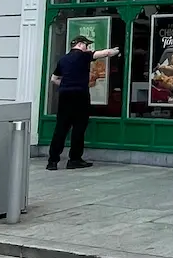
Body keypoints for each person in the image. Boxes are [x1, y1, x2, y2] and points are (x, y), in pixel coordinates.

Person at [47, 35, 121, 171]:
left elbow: (53, 79)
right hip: (80, 95)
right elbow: (104, 53)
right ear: (81, 44)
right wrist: (116, 51)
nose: (88, 48)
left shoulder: (63, 59)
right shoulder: (83, 56)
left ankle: (52, 161)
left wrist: (65, 85)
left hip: (64, 96)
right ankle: (74, 160)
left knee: (60, 128)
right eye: (86, 45)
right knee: (78, 128)